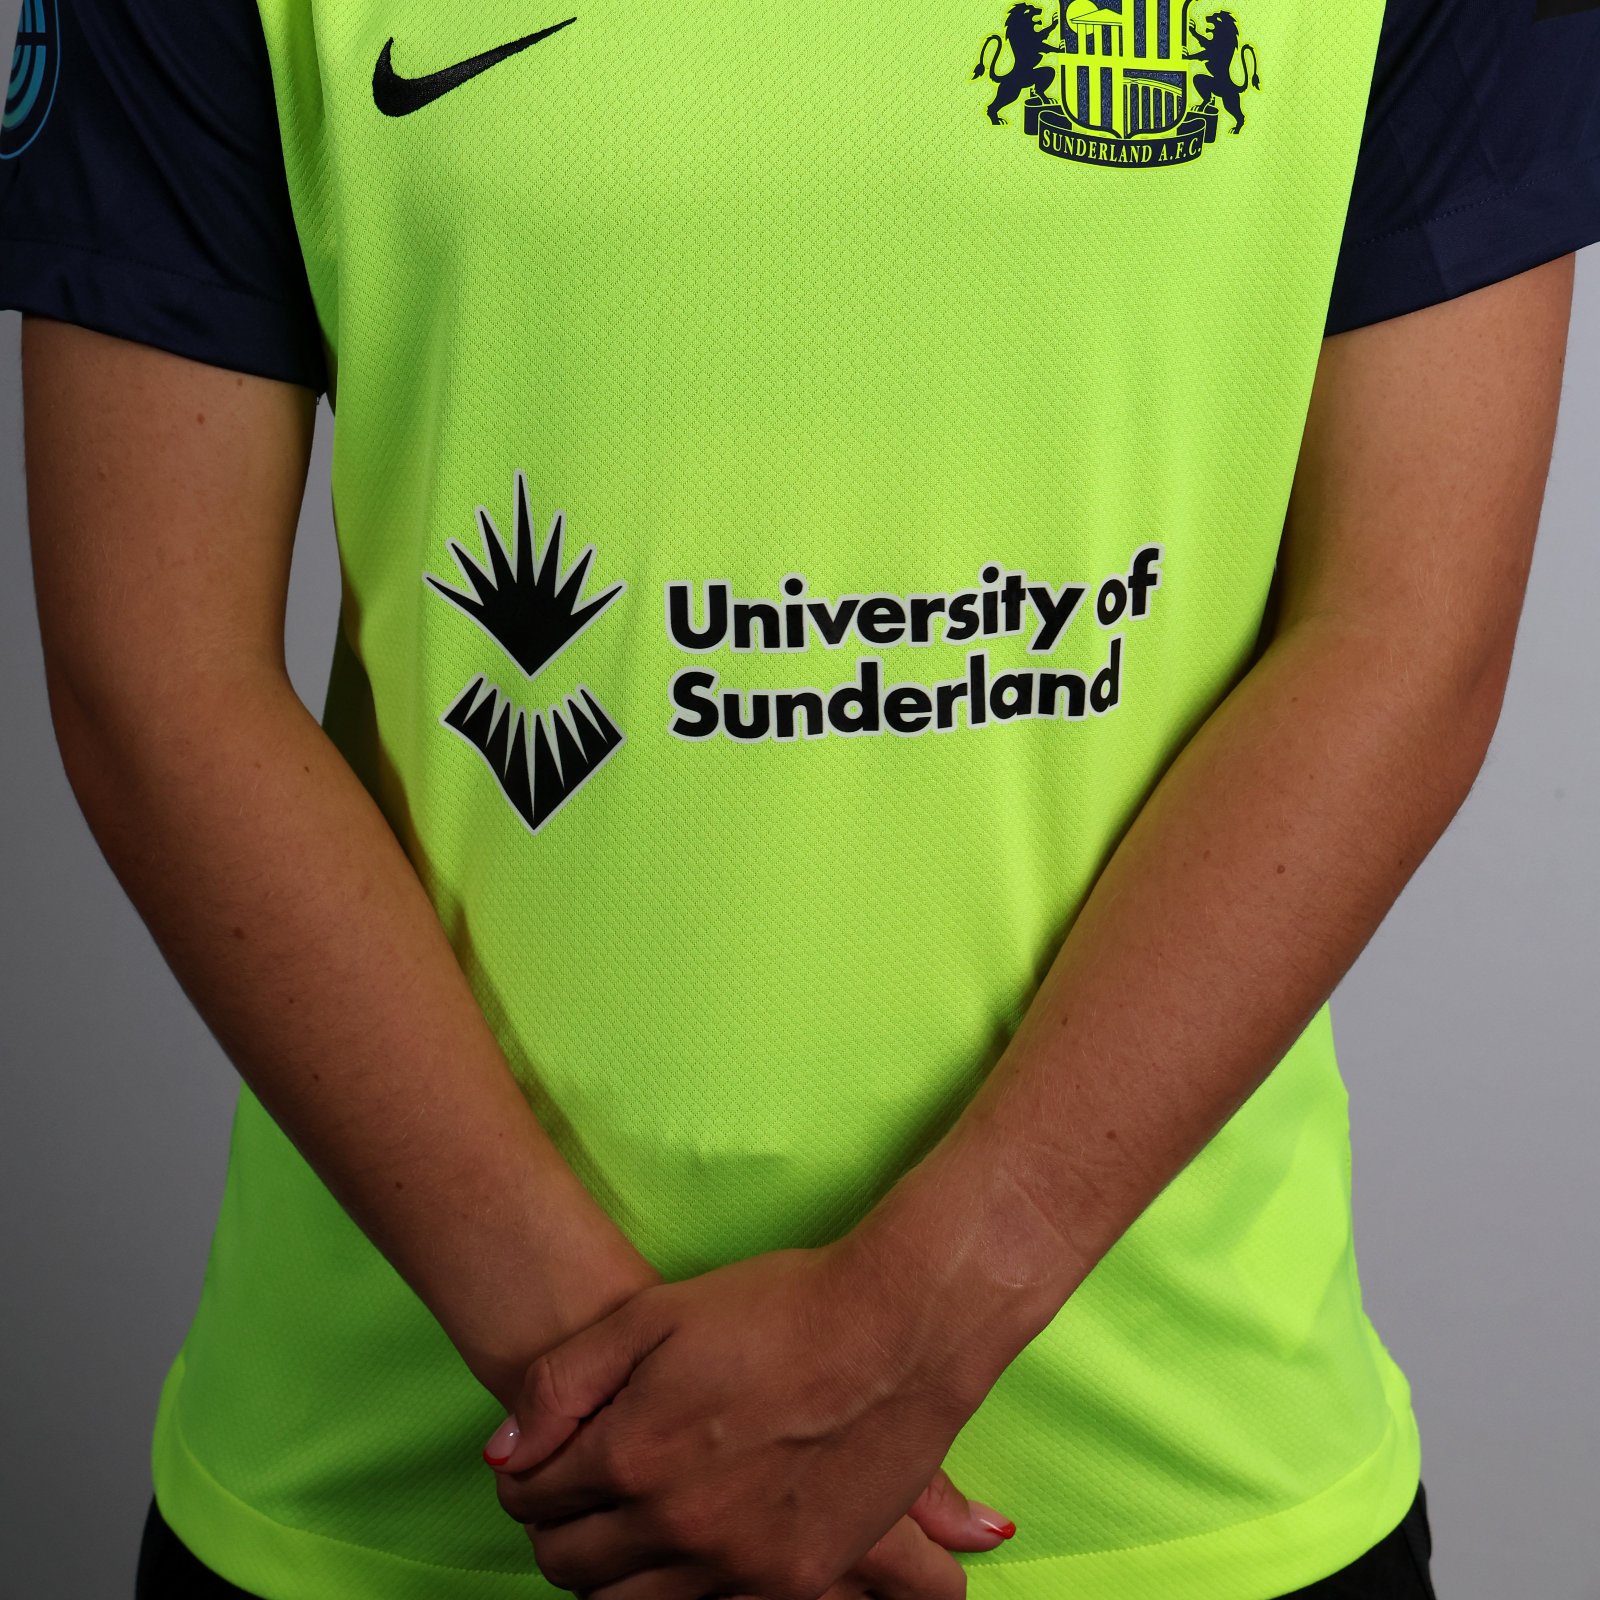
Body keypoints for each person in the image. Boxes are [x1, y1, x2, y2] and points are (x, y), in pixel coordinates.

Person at [2, 0, 1596, 1593]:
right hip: (407, 1488)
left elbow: (1408, 643)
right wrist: (632, 1420)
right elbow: (154, 675)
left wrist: (902, 1343)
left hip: (1169, 1479)